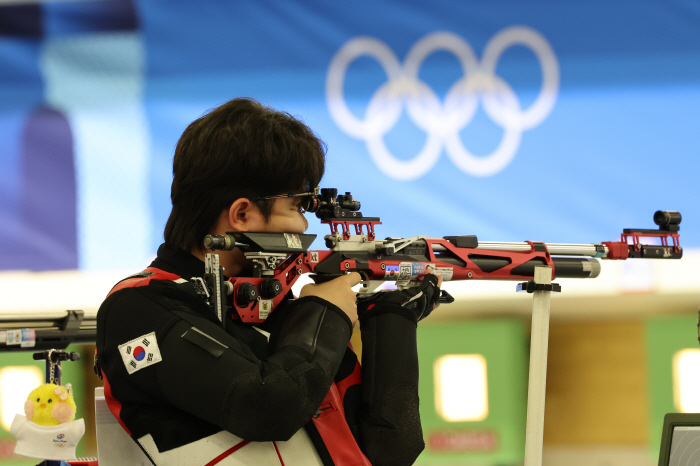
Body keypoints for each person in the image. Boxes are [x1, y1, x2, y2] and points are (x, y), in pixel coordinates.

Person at [95, 97, 441, 466]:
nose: (305, 227)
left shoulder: (283, 314)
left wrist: (393, 319)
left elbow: (393, 448)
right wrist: (323, 312)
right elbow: (267, 408)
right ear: (242, 214)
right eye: (297, 207)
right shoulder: (137, 308)